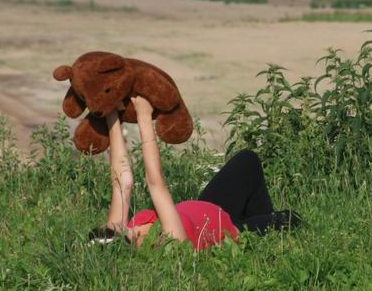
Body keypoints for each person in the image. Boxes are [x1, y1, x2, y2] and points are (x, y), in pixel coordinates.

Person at [90, 96, 301, 249]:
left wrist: (112, 117)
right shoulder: (167, 240)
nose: (115, 226)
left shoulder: (123, 229)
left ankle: (260, 223)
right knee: (290, 219)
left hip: (210, 207)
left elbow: (121, 181)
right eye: (114, 231)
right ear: (124, 242)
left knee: (247, 160)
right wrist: (144, 116)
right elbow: (156, 183)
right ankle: (259, 239)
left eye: (109, 228)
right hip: (231, 230)